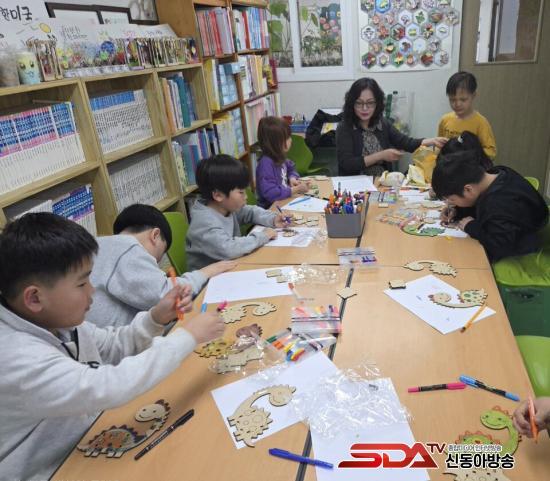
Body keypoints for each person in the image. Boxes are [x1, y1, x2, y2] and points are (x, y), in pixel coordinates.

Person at [0, 213, 225, 480]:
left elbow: (113, 345)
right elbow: (107, 386)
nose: (92, 291)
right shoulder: (16, 356)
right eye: (82, 283)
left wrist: (156, 317)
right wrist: (188, 337)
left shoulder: (55, 321)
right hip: (52, 470)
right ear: (35, 298)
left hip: (92, 440)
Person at [87, 204, 235, 328]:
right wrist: (206, 271)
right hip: (123, 346)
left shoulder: (99, 246)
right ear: (155, 235)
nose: (155, 264)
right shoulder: (127, 247)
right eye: (157, 257)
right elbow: (166, 295)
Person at [432, 152, 548, 261]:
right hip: (510, 234)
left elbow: (500, 246)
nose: (451, 203)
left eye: (452, 199)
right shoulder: (495, 174)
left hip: (520, 250)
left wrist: (471, 227)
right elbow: (480, 204)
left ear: (468, 189)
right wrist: (458, 211)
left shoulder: (499, 203)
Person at [186, 154, 289, 270]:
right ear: (218, 195)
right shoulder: (205, 223)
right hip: (211, 279)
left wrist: (273, 219)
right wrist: (263, 236)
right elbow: (229, 249)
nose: (246, 196)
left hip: (231, 267)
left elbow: (250, 212)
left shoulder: (224, 207)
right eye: (241, 192)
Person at [336, 77, 446, 176]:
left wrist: (431, 141)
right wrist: (381, 155)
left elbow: (406, 143)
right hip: (354, 184)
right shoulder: (345, 127)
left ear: (377, 103)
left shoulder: (382, 123)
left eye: (370, 103)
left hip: (382, 182)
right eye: (359, 103)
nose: (365, 108)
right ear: (352, 104)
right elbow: (347, 164)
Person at [438, 71, 497, 160]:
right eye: (452, 100)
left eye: (463, 100)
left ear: (473, 96)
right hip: (449, 165)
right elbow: (439, 146)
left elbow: (491, 152)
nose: (457, 104)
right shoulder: (445, 120)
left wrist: (469, 156)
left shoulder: (480, 123)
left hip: (470, 166)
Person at [256, 116, 310, 208]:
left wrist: (292, 178)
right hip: (270, 208)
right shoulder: (266, 164)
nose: (291, 140)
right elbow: (271, 194)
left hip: (284, 202)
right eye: (287, 138)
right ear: (275, 143)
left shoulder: (279, 157)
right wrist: (296, 189)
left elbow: (291, 168)